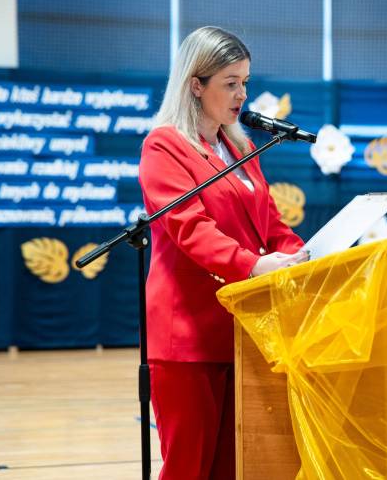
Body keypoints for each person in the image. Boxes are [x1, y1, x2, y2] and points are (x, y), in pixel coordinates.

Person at [138, 26, 307, 479]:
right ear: (196, 85)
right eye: (230, 83)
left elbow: (271, 225)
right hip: (188, 335)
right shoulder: (165, 145)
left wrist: (305, 258)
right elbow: (189, 227)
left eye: (245, 82)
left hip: (242, 329)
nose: (242, 95)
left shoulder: (241, 147)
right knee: (189, 466)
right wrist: (253, 265)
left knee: (233, 466)